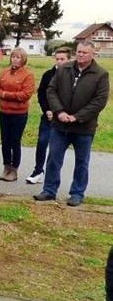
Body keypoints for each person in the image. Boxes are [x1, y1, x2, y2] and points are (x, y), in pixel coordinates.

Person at [33, 41, 109, 207]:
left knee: (82, 162)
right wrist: (59, 112)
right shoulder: (63, 69)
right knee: (53, 158)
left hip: (83, 127)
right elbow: (51, 91)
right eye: (79, 52)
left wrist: (77, 117)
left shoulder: (101, 75)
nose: (81, 55)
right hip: (60, 126)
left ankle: (77, 193)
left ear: (92, 54)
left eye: (85, 53)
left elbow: (100, 101)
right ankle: (49, 190)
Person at [26, 47, 71, 184]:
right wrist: (47, 110)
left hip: (64, 117)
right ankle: (38, 171)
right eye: (57, 59)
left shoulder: (73, 76)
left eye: (62, 59)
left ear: (69, 59)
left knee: (56, 148)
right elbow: (42, 95)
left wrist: (61, 112)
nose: (59, 62)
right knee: (42, 142)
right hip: (48, 117)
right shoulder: (48, 75)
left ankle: (53, 176)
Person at [0, 47, 35, 182]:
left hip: (19, 114)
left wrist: (6, 95)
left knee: (15, 142)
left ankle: (14, 170)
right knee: (5, 142)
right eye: (13, 57)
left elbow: (26, 94)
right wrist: (3, 94)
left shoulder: (28, 75)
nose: (15, 59)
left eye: (18, 57)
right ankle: (6, 167)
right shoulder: (4, 72)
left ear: (23, 60)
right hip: (4, 112)